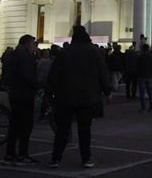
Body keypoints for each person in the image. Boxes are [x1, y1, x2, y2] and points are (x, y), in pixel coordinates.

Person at [46, 25, 112, 169]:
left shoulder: (65, 52)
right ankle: (86, 158)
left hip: (66, 97)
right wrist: (107, 91)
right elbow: (103, 73)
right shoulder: (94, 51)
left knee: (63, 129)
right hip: (87, 97)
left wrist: (49, 93)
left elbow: (54, 75)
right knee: (84, 130)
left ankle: (55, 158)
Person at [1, 34, 40, 163]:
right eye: (33, 43)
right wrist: (37, 85)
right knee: (25, 125)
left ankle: (10, 153)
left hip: (16, 92)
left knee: (15, 125)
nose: (34, 46)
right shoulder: (24, 56)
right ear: (27, 43)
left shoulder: (14, 54)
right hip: (24, 93)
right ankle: (23, 153)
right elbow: (27, 75)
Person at [137, 44, 152, 112]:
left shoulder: (140, 57)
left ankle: (143, 107)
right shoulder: (151, 56)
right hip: (149, 76)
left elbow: (138, 66)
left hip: (142, 76)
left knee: (142, 93)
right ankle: (151, 107)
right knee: (150, 92)